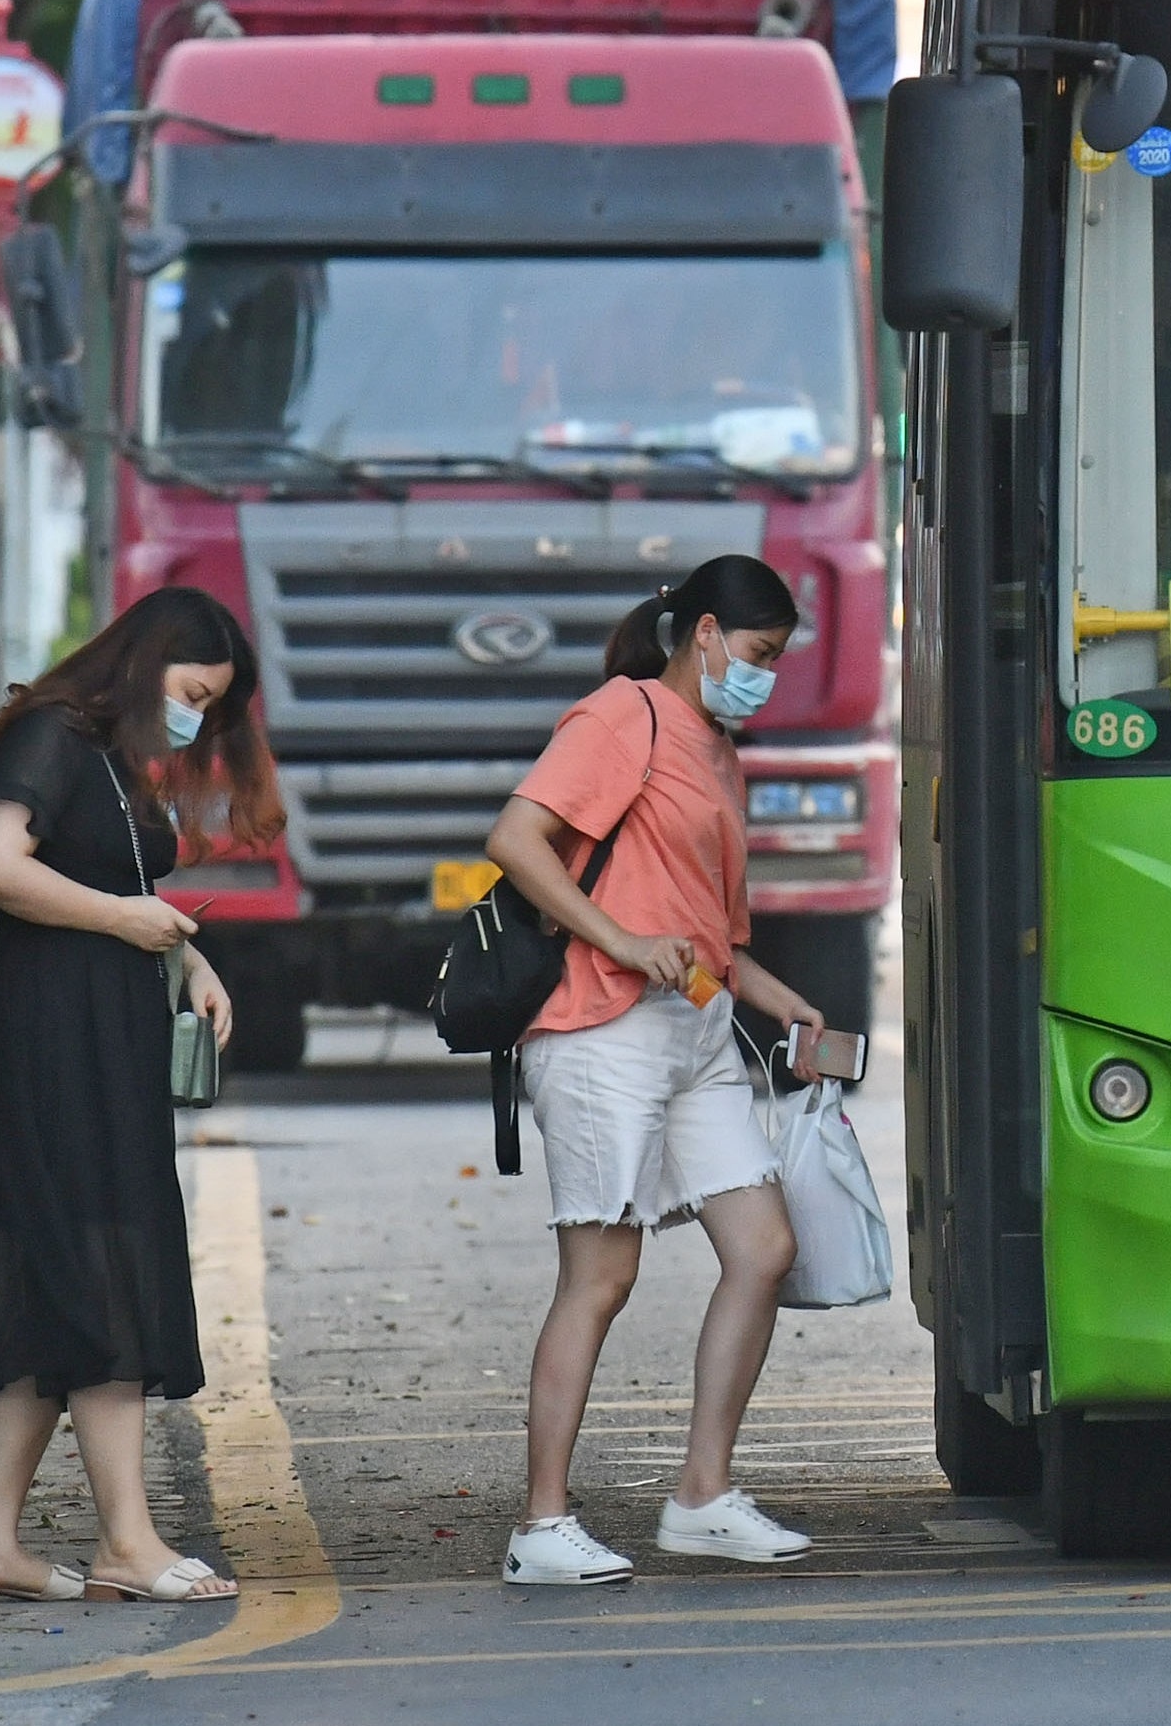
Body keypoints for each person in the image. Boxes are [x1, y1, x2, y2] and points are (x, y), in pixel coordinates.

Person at [485, 553, 830, 1588]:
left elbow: (715, 937)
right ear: (708, 632)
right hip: (597, 1025)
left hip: (694, 1026)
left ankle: (702, 1497)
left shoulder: (719, 749)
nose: (765, 675)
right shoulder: (621, 715)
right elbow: (517, 839)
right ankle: (541, 1523)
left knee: (763, 1245)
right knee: (602, 1274)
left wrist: (788, 1004)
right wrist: (623, 937)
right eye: (759, 654)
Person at [0, 587, 277, 1604]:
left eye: (211, 706)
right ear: (140, 666)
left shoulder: (112, 757)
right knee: (104, 1274)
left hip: (97, 1042)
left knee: (54, 1287)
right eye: (190, 692)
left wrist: (186, 959)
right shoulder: (54, 735)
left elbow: (123, 890)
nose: (195, 718)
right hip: (57, 1051)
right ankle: (129, 1540)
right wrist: (130, 925)